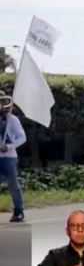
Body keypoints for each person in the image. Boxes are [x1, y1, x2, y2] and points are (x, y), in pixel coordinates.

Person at [0, 91, 27, 222]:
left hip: (9, 157)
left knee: (13, 185)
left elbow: (22, 137)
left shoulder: (12, 119)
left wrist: (9, 146)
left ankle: (19, 211)